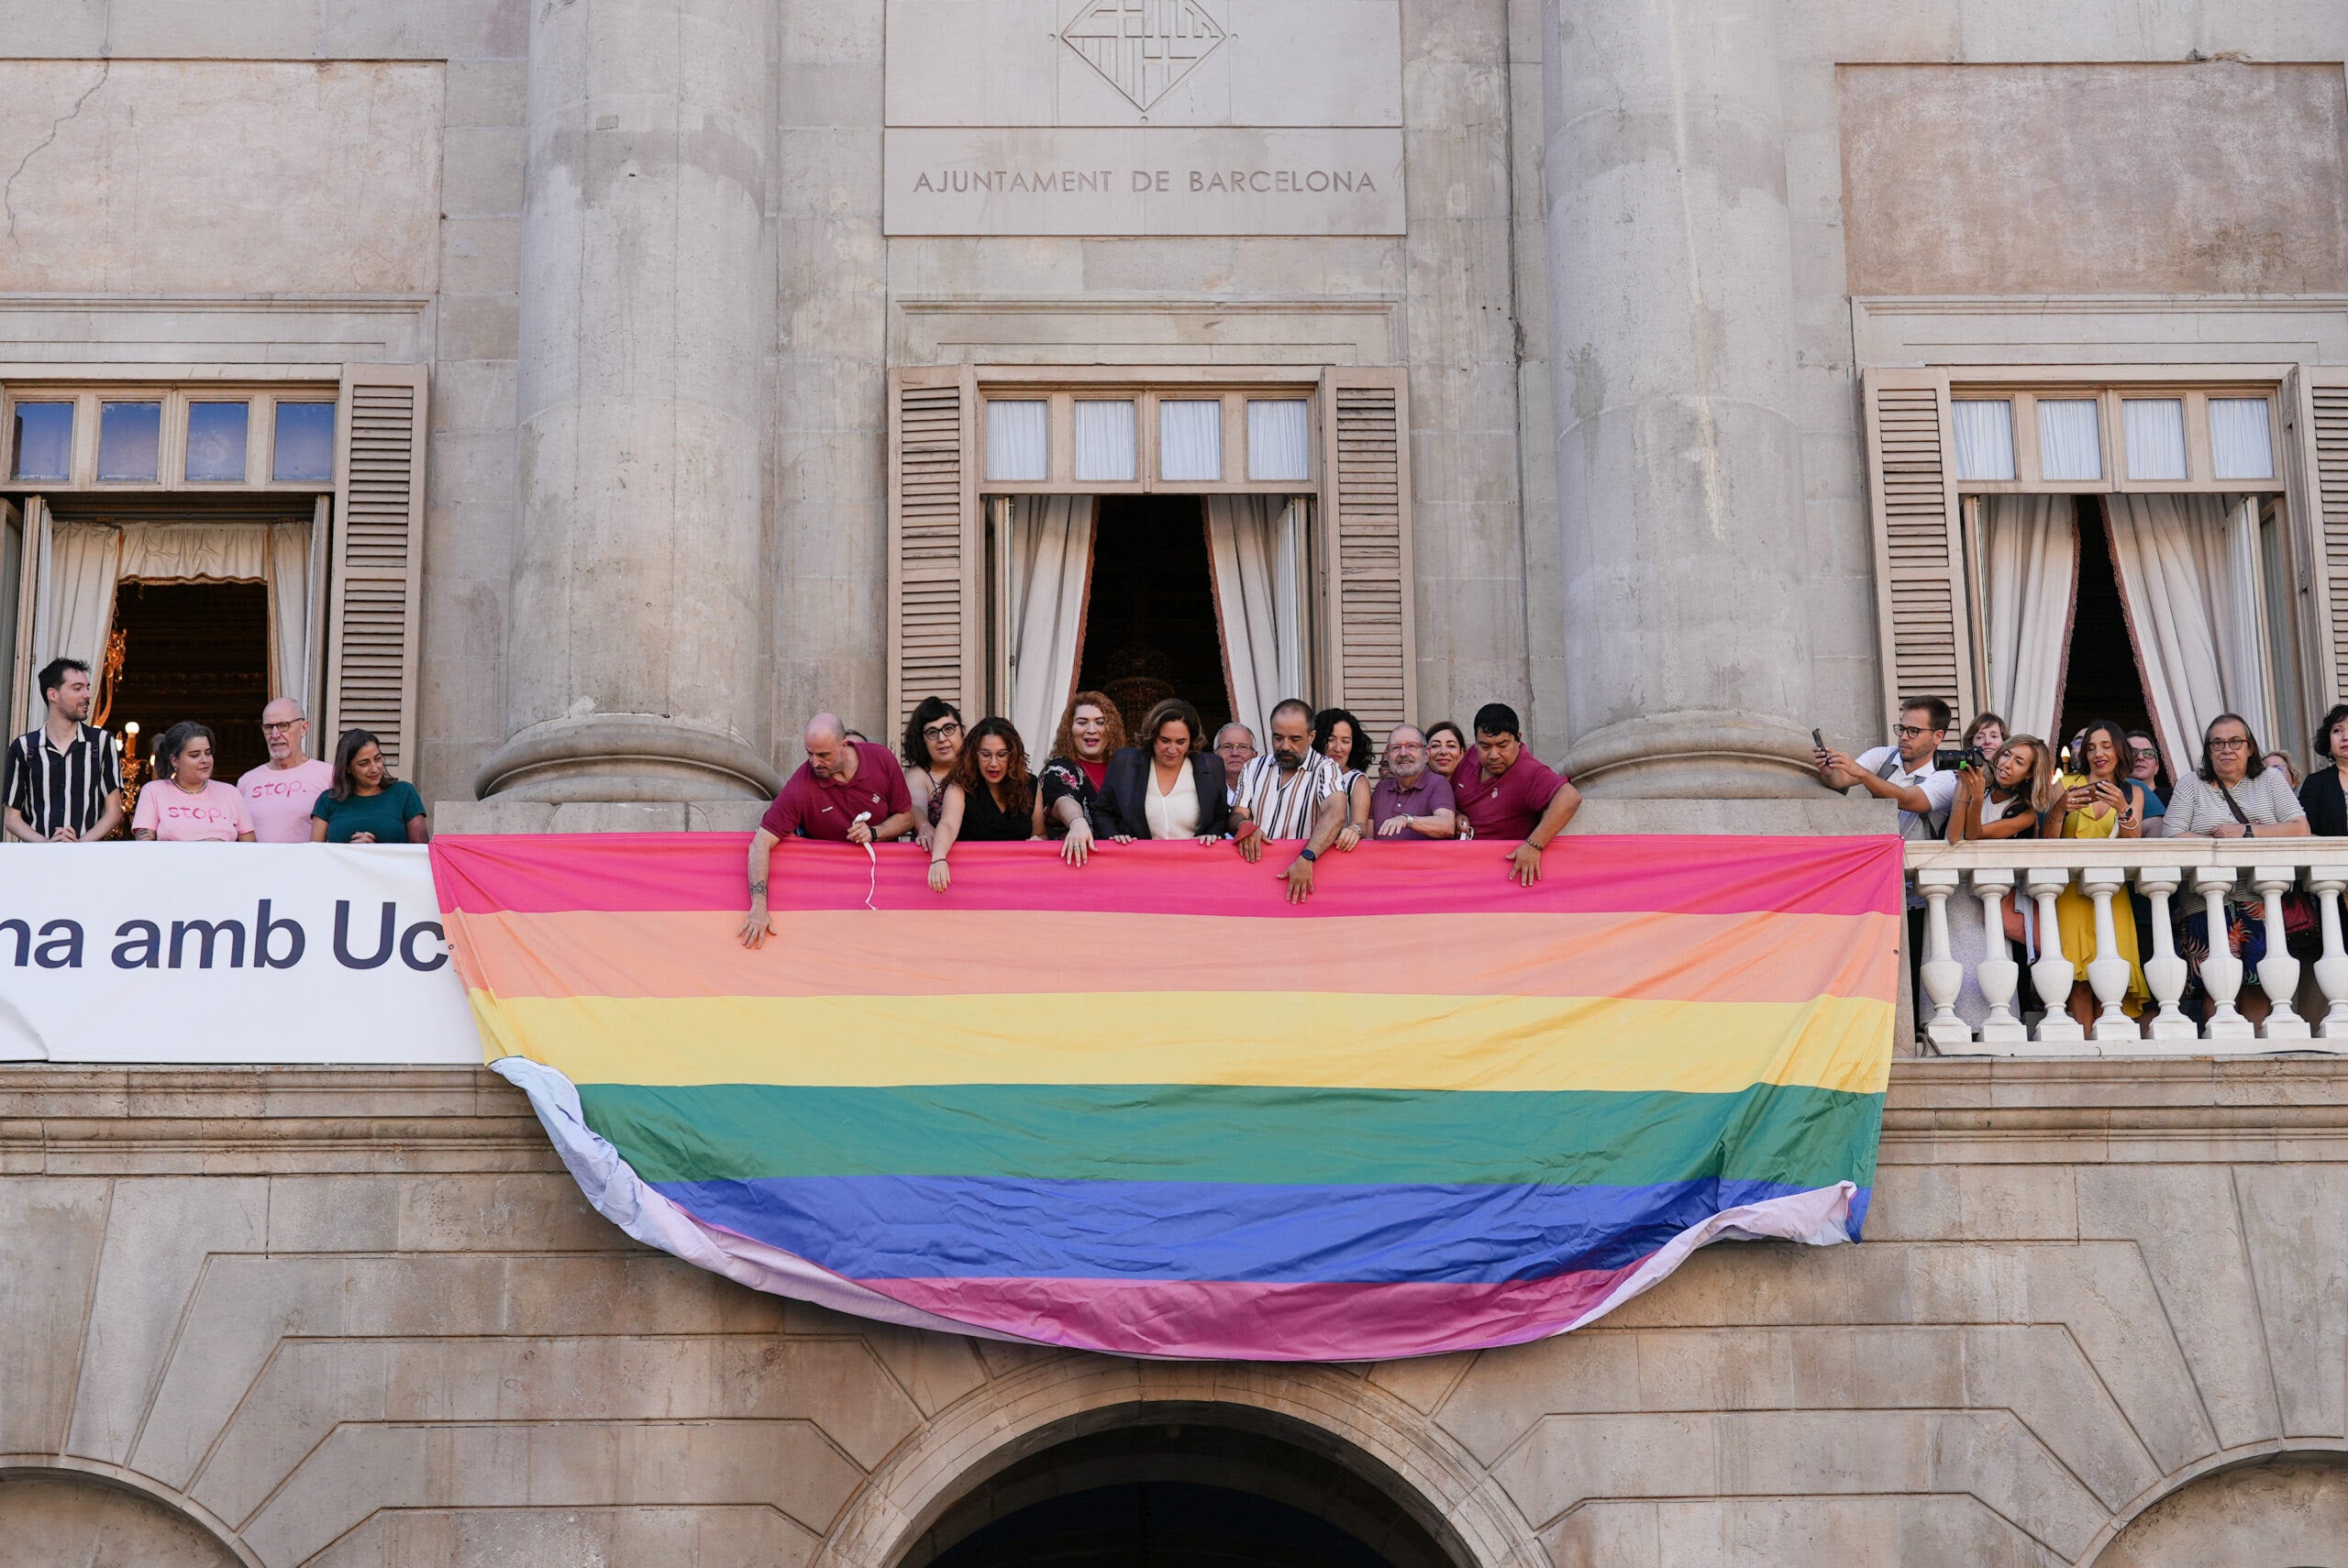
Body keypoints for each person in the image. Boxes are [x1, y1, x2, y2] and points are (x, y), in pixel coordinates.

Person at [2167, 712, 2313, 1026]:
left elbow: (2300, 827)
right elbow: (2172, 836)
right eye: (2217, 743)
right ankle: (2219, 1051)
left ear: (2249, 748)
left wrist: (2245, 832)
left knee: (2260, 980)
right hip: (2204, 901)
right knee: (2216, 986)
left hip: (2261, 899)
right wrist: (2219, 838)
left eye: (2235, 741)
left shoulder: (2271, 780)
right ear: (2208, 750)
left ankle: (2256, 1056)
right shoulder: (2191, 784)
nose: (2226, 749)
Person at [739, 713, 917, 947]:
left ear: (843, 746)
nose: (814, 763)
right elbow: (760, 842)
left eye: (823, 755)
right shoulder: (801, 784)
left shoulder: (881, 759)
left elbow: (906, 818)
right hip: (829, 897)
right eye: (809, 754)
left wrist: (874, 832)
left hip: (884, 891)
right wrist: (759, 907)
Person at [1942, 735, 2054, 1031]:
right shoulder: (1973, 783)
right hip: (1953, 896)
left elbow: (1975, 835)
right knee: (1948, 963)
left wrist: (1975, 797)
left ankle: (1993, 1028)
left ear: (2029, 774)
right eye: (2006, 756)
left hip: (1990, 900)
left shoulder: (2025, 813)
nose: (2007, 764)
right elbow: (1954, 837)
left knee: (1988, 967)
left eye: (2019, 762)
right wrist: (1966, 790)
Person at [2048, 719, 2150, 1030]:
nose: (2098, 753)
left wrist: (2123, 808)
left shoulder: (2133, 791)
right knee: (2078, 975)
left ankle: (2110, 1041)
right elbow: (2047, 842)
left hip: (2112, 892)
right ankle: (2085, 1044)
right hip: (2069, 893)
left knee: (2112, 970)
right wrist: (2059, 809)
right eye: (2091, 747)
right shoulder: (2063, 784)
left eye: (2106, 746)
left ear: (2119, 750)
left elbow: (2133, 846)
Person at [1230, 699, 1349, 902]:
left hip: (1302, 880)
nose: (1285, 746)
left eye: (1295, 739)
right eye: (1278, 738)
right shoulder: (1253, 767)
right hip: (1254, 880)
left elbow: (1335, 814)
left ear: (1311, 737)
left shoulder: (1326, 768)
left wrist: (1307, 858)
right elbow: (1237, 814)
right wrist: (1245, 826)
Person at [1453, 703, 1581, 885]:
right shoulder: (1472, 754)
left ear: (1518, 738)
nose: (1493, 754)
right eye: (1485, 746)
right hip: (1457, 863)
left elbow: (1570, 797)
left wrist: (1534, 845)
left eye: (1502, 745)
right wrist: (1456, 814)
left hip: (1497, 874)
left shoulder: (1529, 771)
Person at [4, 656, 124, 844]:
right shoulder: (24, 747)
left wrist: (79, 845)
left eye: (87, 687)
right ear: (53, 695)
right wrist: (46, 845)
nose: (87, 694)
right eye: (77, 688)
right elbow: (11, 818)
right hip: (38, 861)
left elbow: (114, 812)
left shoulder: (101, 742)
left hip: (86, 859)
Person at [1815, 696, 1959, 843]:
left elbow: (1905, 799)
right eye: (1902, 729)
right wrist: (1828, 771)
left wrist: (1861, 773)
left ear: (1938, 737)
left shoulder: (1945, 778)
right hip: (1880, 855)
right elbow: (1841, 780)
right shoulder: (1883, 755)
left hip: (1917, 861)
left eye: (1914, 731)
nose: (1904, 737)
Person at [925, 717, 1038, 892]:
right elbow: (948, 824)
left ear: (1013, 755)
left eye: (1001, 755)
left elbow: (1041, 834)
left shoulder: (1031, 785)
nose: (993, 763)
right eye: (986, 755)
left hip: (1020, 885)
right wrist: (938, 858)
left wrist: (1038, 841)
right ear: (973, 755)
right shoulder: (960, 786)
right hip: (971, 886)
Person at [1097, 698, 1231, 844]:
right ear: (1152, 737)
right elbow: (1102, 811)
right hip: (1138, 861)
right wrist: (1114, 836)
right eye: (1165, 740)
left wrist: (1211, 835)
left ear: (1191, 740)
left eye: (1181, 742)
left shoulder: (1212, 766)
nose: (1172, 750)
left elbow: (1221, 816)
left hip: (1193, 862)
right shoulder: (1125, 762)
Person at [1037, 691, 1124, 867]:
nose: (1091, 730)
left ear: (1111, 728)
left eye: (1100, 722)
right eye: (1082, 722)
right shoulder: (1059, 767)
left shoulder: (1126, 770)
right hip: (1075, 868)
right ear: (1069, 729)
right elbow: (1062, 800)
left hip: (1125, 868)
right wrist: (1076, 821)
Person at [130, 722, 256, 842]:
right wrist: (200, 847)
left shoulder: (231, 793)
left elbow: (251, 848)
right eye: (195, 755)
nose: (205, 760)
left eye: (208, 753)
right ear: (174, 760)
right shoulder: (153, 791)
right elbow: (145, 845)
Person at [237, 697, 336, 844]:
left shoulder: (329, 775)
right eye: (269, 727)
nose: (275, 735)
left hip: (307, 865)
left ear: (304, 728)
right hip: (259, 865)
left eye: (284, 725)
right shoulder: (246, 781)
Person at [308, 729, 429, 845]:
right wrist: (349, 851)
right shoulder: (327, 800)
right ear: (347, 768)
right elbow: (315, 854)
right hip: (343, 867)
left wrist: (373, 851)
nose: (374, 768)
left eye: (377, 759)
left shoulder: (404, 793)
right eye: (364, 763)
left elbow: (421, 850)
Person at [1368, 724, 1456, 838]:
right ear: (1388, 755)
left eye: (1411, 746)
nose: (1403, 753)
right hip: (1382, 856)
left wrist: (1407, 820)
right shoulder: (1381, 788)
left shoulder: (1438, 784)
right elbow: (1368, 835)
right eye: (1396, 748)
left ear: (1426, 754)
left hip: (1423, 856)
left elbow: (1447, 825)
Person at [900, 697, 963, 848]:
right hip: (933, 862)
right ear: (922, 740)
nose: (942, 738)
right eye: (932, 732)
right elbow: (914, 806)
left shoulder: (977, 768)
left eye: (948, 729)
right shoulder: (918, 775)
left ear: (963, 731)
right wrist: (924, 826)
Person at [1312, 706, 1375, 853]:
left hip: (1337, 855)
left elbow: (1361, 825)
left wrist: (1355, 829)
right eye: (1331, 740)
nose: (1338, 748)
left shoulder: (1356, 780)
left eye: (1345, 741)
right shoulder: (1305, 774)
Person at [2300, 703, 2348, 836]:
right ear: (2328, 740)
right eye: (2337, 730)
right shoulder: (2315, 783)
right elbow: (2306, 833)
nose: (2345, 737)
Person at [2124, 729, 2169, 833]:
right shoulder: (2110, 796)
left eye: (2148, 753)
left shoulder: (2176, 797)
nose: (2140, 757)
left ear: (2157, 767)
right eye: (2133, 752)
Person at [1213, 723, 1257, 805]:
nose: (1235, 753)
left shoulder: (1267, 787)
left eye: (1243, 747)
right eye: (1227, 747)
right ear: (1215, 755)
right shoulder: (1204, 790)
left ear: (1255, 755)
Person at [1424, 721, 1467, 785]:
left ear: (1462, 753)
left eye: (1451, 746)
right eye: (1435, 746)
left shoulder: (1472, 790)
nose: (1443, 752)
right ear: (1425, 753)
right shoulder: (1413, 791)